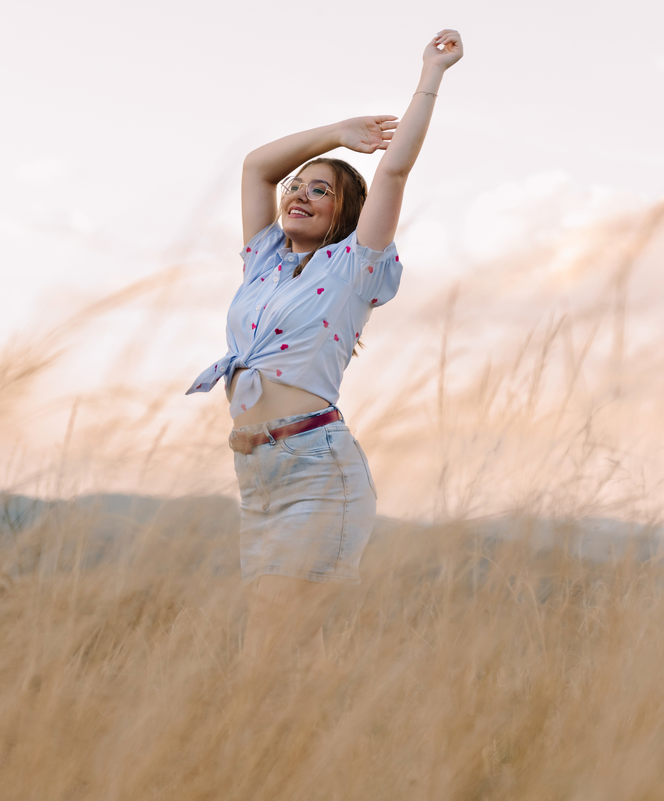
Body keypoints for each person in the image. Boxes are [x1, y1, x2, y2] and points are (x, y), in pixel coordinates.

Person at [187, 30, 464, 670]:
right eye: (298, 186)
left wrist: (432, 73)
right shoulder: (263, 261)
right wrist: (336, 133)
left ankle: (249, 729)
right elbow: (257, 166)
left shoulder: (353, 267)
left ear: (344, 215)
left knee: (270, 636)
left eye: (320, 190)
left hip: (317, 470)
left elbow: (394, 170)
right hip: (259, 475)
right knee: (284, 645)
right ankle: (309, 731)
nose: (298, 194)